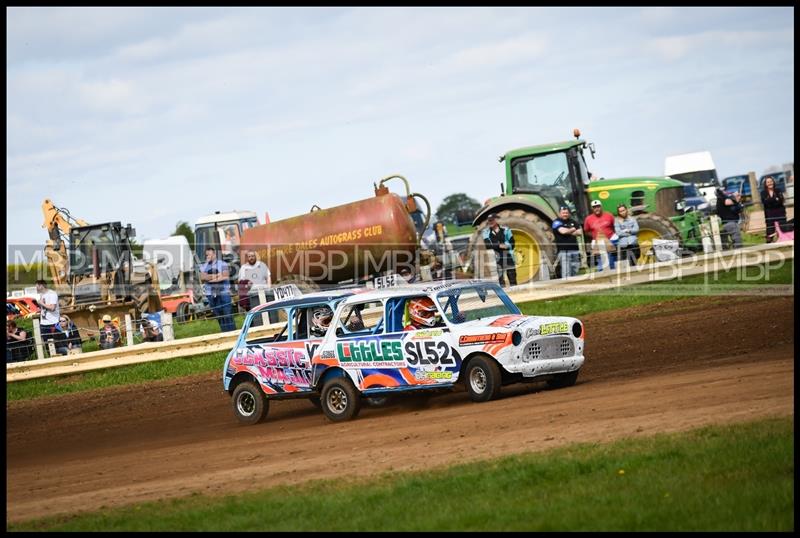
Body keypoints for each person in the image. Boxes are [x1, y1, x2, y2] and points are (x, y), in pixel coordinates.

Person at [200, 247, 236, 332]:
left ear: (214, 254)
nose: (208, 256)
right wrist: (217, 275)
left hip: (224, 293)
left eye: (209, 254)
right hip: (211, 294)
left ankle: (233, 333)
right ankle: (224, 334)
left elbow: (225, 276)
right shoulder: (203, 266)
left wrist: (209, 278)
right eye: (206, 255)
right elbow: (202, 278)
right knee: (219, 315)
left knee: (228, 314)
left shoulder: (223, 264)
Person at [482, 213, 517, 287]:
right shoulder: (486, 232)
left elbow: (512, 243)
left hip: (508, 256)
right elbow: (487, 245)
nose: (490, 222)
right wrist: (499, 245)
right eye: (489, 221)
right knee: (500, 280)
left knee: (512, 276)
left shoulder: (506, 230)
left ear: (496, 220)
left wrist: (506, 246)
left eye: (492, 220)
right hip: (496, 258)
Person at [583, 200, 617, 271]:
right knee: (600, 258)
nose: (596, 209)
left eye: (598, 206)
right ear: (592, 209)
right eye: (594, 207)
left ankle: (612, 271)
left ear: (601, 207)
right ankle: (602, 273)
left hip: (610, 239)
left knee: (609, 256)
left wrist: (609, 236)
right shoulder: (588, 219)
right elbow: (586, 231)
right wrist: (595, 236)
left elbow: (614, 227)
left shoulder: (609, 215)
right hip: (598, 242)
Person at [552, 205, 582, 279]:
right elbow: (563, 231)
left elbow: (580, 232)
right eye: (563, 213)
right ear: (559, 213)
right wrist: (572, 229)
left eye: (566, 213)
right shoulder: (556, 222)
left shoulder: (573, 221)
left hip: (575, 250)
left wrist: (568, 231)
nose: (565, 214)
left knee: (575, 269)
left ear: (569, 213)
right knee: (566, 272)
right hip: (564, 251)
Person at [33, 279, 61, 349]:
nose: (35, 288)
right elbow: (45, 307)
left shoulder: (52, 294)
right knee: (47, 346)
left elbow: (52, 308)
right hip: (43, 323)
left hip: (53, 322)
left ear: (41, 286)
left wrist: (41, 303)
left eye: (36, 286)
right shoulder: (42, 295)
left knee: (57, 345)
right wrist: (41, 309)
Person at [761, 176, 787, 243]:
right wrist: (775, 199)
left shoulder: (778, 190)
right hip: (769, 215)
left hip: (780, 213)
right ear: (765, 184)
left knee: (784, 229)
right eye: (768, 182)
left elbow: (780, 201)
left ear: (773, 182)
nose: (770, 183)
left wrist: (770, 201)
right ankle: (769, 244)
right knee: (769, 234)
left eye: (771, 181)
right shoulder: (763, 193)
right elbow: (765, 202)